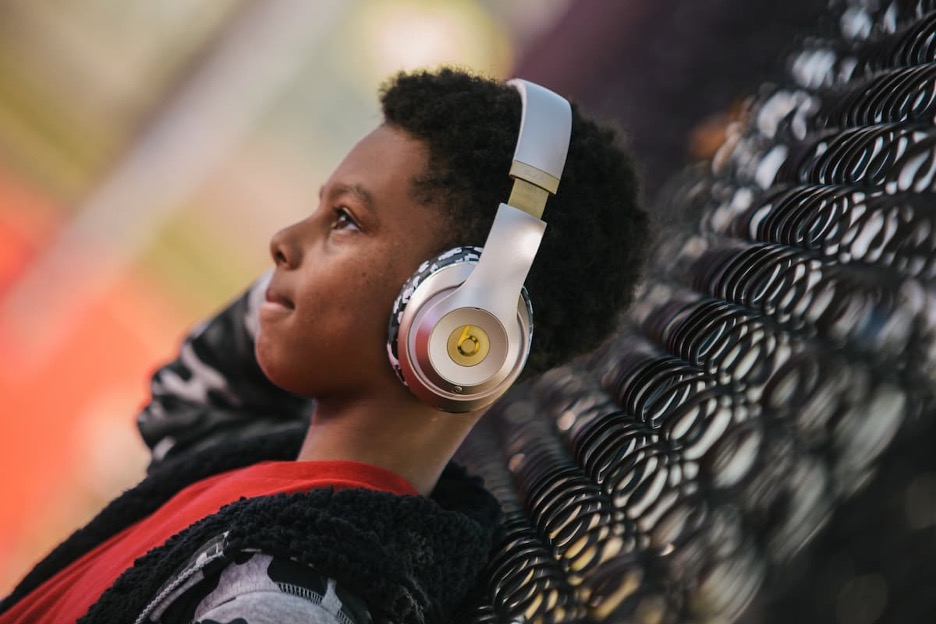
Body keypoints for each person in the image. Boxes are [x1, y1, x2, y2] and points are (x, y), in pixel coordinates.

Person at [0, 68, 649, 623]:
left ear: (460, 327)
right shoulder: (254, 462)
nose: (282, 240)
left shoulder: (284, 596)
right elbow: (195, 384)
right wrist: (321, 273)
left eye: (344, 220)